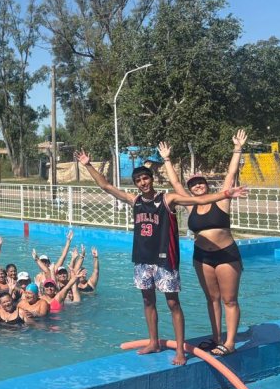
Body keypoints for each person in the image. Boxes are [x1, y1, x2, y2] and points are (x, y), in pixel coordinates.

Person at [77, 149, 247, 365]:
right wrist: (88, 165)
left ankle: (180, 351)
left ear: (152, 179)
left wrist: (225, 194)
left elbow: (200, 198)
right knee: (148, 301)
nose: (142, 183)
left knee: (173, 303)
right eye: (138, 180)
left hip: (165, 260)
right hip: (142, 260)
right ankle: (154, 341)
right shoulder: (134, 200)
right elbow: (106, 186)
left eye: (145, 178)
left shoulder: (168, 199)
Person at [160, 134, 246, 357]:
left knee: (229, 299)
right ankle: (216, 337)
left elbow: (230, 174)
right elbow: (175, 184)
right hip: (202, 257)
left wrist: (237, 149)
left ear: (207, 185)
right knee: (212, 299)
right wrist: (167, 160)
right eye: (193, 184)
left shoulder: (221, 200)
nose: (196, 186)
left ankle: (230, 342)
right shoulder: (191, 206)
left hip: (226, 254)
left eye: (200, 183)